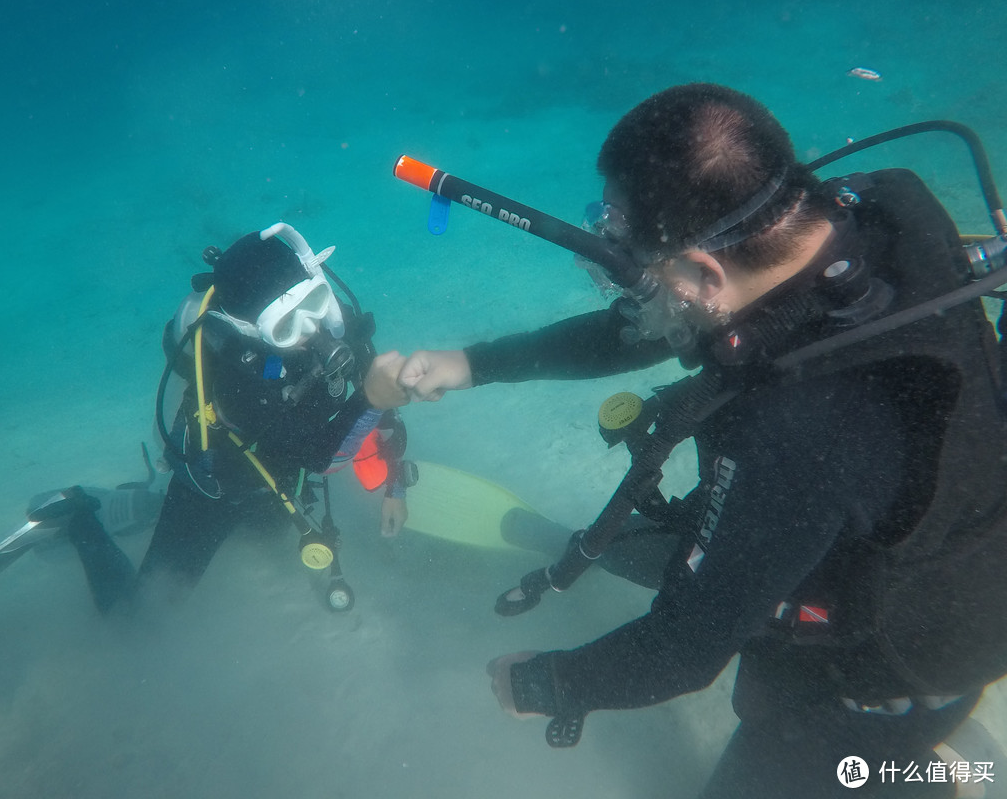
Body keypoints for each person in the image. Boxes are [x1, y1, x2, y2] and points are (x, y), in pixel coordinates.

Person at [396, 83, 1007, 796]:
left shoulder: (798, 434)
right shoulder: (860, 216)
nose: (625, 281)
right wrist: (474, 364)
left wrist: (547, 682)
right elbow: (655, 324)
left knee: (770, 744)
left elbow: (684, 652)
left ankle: (922, 771)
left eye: (632, 257)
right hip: (901, 533)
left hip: (898, 657)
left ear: (704, 273)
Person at [34, 221, 412, 615]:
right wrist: (369, 399)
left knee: (264, 531)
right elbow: (322, 455)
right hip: (215, 488)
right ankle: (81, 516)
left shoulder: (336, 319)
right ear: (249, 330)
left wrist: (395, 485)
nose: (311, 328)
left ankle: (148, 506)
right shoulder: (241, 378)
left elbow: (383, 391)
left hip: (278, 479)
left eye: (313, 302)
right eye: (286, 325)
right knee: (138, 617)